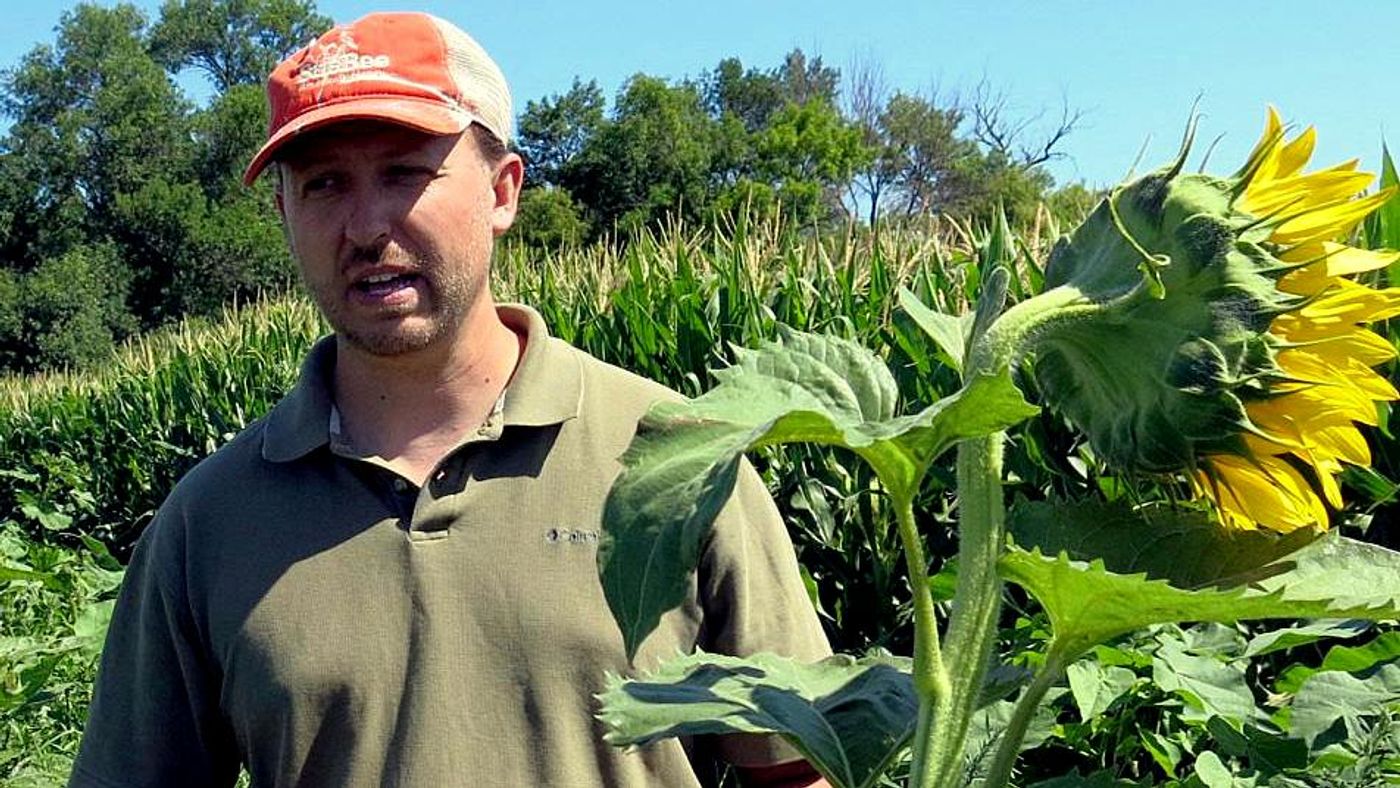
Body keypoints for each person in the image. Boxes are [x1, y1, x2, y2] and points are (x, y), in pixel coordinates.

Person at [68, 11, 831, 788]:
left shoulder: (676, 458)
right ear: (285, 216)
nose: (365, 227)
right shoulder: (209, 523)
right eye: (324, 184)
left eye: (405, 172)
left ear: (502, 192)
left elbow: (796, 772)